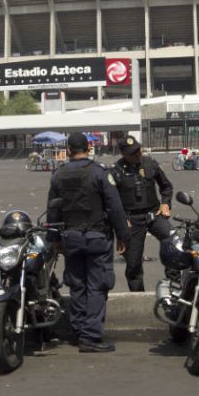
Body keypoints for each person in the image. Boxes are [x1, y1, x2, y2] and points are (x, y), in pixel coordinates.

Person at [46, 132, 130, 353]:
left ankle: (78, 331)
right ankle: (90, 337)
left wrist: (54, 239)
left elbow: (53, 209)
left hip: (71, 238)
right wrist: (123, 236)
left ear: (68, 150)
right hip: (97, 238)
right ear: (89, 148)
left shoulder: (59, 175)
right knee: (97, 285)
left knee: (77, 285)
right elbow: (114, 206)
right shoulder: (100, 173)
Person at [110, 135, 176, 292]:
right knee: (133, 264)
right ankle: (138, 295)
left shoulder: (150, 163)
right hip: (131, 220)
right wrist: (121, 221)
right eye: (133, 152)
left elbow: (166, 187)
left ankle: (174, 286)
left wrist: (166, 203)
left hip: (154, 215)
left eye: (138, 150)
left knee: (174, 244)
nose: (138, 154)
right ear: (124, 154)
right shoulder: (115, 171)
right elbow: (111, 200)